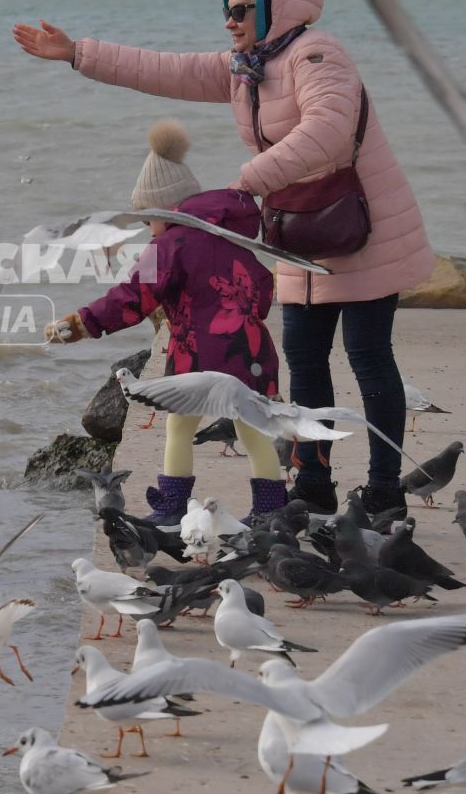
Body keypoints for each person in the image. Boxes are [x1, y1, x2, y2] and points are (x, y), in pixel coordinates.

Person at [15, 0, 433, 517]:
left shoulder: (318, 56)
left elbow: (328, 131)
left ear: (274, 9)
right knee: (305, 360)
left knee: (368, 357)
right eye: (226, 10)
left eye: (242, 10)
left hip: (364, 227)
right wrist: (77, 54)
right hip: (297, 235)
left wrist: (247, 181)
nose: (231, 22)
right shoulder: (247, 68)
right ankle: (314, 483)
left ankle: (385, 491)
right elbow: (166, 70)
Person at [45, 119, 287, 524]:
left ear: (163, 211)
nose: (147, 229)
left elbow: (132, 298)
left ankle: (171, 506)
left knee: (178, 428)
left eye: (146, 219)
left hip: (194, 356)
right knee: (253, 430)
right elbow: (262, 288)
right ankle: (270, 510)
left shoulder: (168, 245)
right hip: (251, 351)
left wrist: (81, 324)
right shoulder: (230, 236)